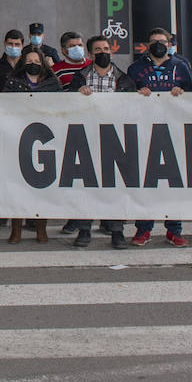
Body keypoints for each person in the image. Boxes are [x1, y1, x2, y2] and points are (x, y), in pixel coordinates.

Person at [125, 34, 192, 248]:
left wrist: (181, 92)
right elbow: (126, 96)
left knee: (172, 182)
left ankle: (174, 229)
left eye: (163, 41)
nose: (159, 45)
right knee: (147, 181)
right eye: (155, 41)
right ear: (147, 44)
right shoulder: (136, 68)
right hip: (145, 130)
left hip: (173, 130)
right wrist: (137, 93)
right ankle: (143, 229)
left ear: (169, 44)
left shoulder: (181, 66)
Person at [66, 35, 136, 249]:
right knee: (86, 185)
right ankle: (85, 229)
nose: (103, 53)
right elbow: (67, 103)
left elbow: (134, 107)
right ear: (90, 54)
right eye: (98, 50)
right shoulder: (81, 78)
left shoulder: (124, 79)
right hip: (87, 138)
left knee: (114, 187)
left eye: (106, 49)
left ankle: (117, 231)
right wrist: (77, 94)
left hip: (115, 138)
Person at [0, 47, 58, 245]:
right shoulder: (13, 82)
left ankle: (41, 228)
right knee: (18, 186)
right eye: (29, 60)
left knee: (42, 186)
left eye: (36, 60)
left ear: (42, 63)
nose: (32, 63)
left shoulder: (52, 83)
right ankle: (16, 229)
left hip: (44, 138)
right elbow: (3, 106)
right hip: (18, 138)